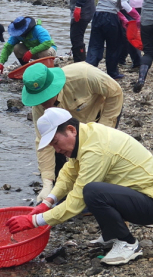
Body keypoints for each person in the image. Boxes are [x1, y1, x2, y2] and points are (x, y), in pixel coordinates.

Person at [5, 108, 153, 265]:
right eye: (52, 146)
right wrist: (47, 202)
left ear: (71, 129)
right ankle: (112, 234)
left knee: (92, 192)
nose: (56, 150)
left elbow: (76, 202)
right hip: (137, 195)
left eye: (56, 142)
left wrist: (33, 221)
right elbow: (68, 173)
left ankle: (128, 244)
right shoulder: (85, 135)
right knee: (92, 189)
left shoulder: (95, 150)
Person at [21, 62, 123, 202]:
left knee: (96, 156)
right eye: (38, 99)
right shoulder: (39, 108)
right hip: (68, 128)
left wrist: (103, 129)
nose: (42, 103)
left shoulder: (85, 76)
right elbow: (43, 142)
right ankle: (62, 197)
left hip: (99, 115)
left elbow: (115, 92)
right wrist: (47, 182)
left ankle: (97, 197)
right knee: (57, 149)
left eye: (45, 97)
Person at [86, 0, 133, 79]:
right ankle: (112, 73)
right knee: (113, 46)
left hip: (98, 14)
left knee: (95, 45)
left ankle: (88, 71)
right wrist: (137, 16)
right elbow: (124, 4)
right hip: (111, 17)